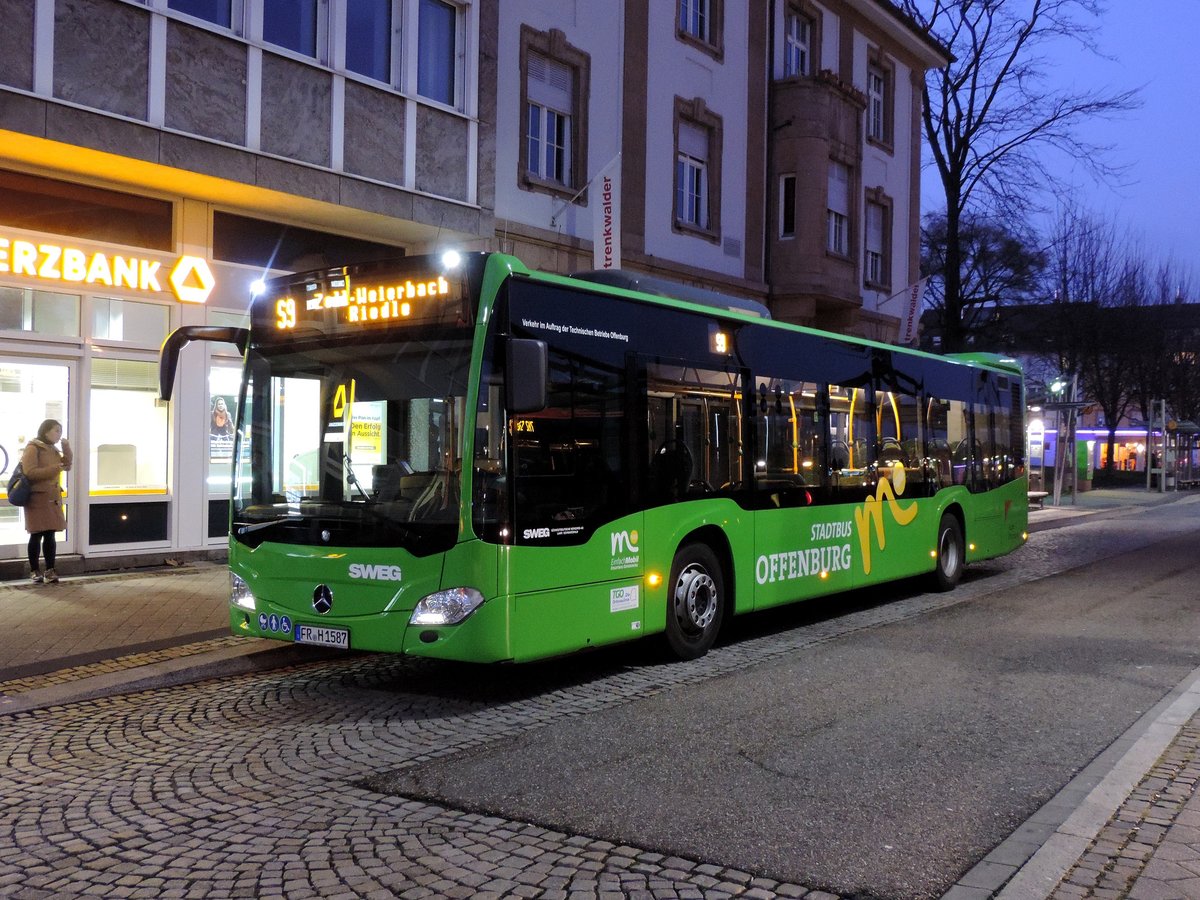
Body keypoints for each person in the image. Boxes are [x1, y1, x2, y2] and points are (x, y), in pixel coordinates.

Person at [21, 419, 72, 584]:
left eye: (60, 431)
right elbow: (30, 472)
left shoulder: (53, 449)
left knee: (50, 534)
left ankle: (50, 570)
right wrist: (55, 469)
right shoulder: (33, 448)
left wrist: (66, 448)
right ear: (46, 431)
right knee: (36, 534)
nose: (59, 434)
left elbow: (67, 465)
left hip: (52, 498)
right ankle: (34, 570)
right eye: (56, 431)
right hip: (37, 498)